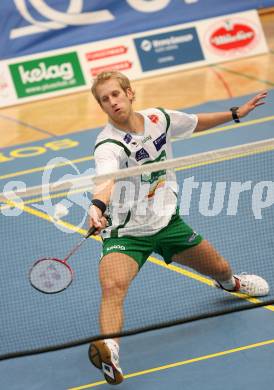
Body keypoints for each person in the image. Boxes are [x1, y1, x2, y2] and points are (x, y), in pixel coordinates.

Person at [87, 71, 269, 385]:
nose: (112, 102)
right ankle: (110, 353)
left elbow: (195, 121)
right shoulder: (108, 144)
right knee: (113, 288)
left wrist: (235, 114)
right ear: (102, 107)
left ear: (130, 94)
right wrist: (97, 205)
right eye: (105, 99)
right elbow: (106, 178)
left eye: (116, 94)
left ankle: (230, 284)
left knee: (221, 268)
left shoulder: (160, 119)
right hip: (127, 234)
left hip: (168, 222)